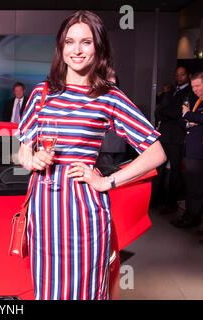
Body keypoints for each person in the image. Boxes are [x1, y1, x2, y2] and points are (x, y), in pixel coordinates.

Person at [16, 10, 166, 300]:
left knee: (86, 292)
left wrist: (107, 182)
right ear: (60, 46)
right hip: (44, 214)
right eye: (69, 41)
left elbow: (156, 153)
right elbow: (23, 151)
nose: (76, 49)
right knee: (47, 291)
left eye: (86, 42)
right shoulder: (41, 94)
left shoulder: (109, 97)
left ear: (98, 46)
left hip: (84, 214)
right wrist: (31, 159)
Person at [151, 66, 198, 213]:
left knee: (175, 172)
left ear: (188, 76)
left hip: (177, 137)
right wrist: (167, 112)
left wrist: (167, 112)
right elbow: (157, 111)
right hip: (164, 135)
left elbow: (176, 112)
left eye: (182, 75)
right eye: (177, 75)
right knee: (157, 169)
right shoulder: (170, 92)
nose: (179, 77)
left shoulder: (190, 94)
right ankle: (154, 200)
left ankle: (170, 203)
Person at [171, 71, 203, 228]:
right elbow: (183, 120)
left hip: (198, 151)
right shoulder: (197, 101)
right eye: (193, 86)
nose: (195, 89)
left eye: (198, 86)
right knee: (190, 186)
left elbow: (190, 116)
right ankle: (189, 216)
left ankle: (192, 218)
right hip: (191, 149)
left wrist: (189, 115)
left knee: (196, 188)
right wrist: (189, 120)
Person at [95, 75, 127, 168]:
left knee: (106, 173)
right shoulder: (122, 98)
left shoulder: (102, 99)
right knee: (117, 173)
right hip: (120, 144)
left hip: (106, 145)